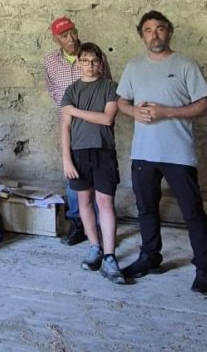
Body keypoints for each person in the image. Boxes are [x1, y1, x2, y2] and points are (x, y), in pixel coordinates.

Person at [117, 10, 207, 295]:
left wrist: (166, 112)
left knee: (193, 212)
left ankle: (205, 269)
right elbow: (121, 101)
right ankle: (150, 258)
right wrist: (132, 111)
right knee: (146, 210)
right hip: (143, 152)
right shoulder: (134, 66)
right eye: (148, 30)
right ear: (142, 36)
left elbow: (205, 105)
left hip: (177, 153)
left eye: (160, 29)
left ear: (169, 32)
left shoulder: (185, 64)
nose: (155, 35)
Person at [44, 15, 112, 246]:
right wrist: (68, 111)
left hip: (96, 127)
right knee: (73, 174)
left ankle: (100, 226)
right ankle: (77, 222)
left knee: (100, 181)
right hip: (70, 126)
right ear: (56, 39)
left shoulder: (92, 56)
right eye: (64, 35)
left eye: (73, 32)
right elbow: (53, 91)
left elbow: (107, 87)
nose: (71, 38)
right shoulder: (50, 62)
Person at [60, 42, 124, 284]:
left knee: (105, 202)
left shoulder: (110, 87)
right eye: (85, 61)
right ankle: (95, 247)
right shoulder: (71, 90)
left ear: (101, 63)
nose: (90, 65)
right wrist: (66, 159)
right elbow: (65, 128)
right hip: (78, 152)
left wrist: (74, 111)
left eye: (95, 61)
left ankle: (110, 255)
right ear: (78, 62)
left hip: (103, 152)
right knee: (84, 201)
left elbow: (107, 118)